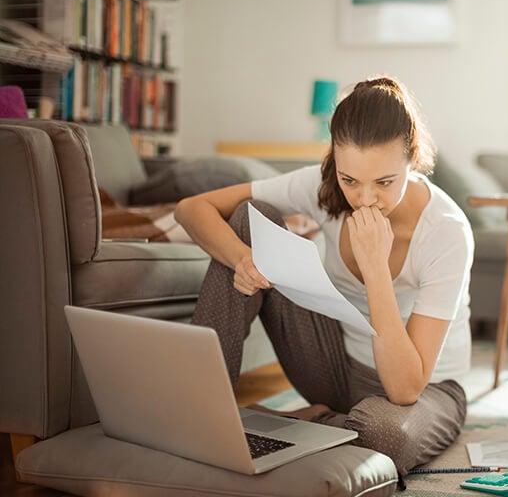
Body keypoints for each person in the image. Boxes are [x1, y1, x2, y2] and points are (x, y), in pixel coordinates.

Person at [175, 75, 474, 475]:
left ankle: (307, 422)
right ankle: (201, 414)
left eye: (385, 182)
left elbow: (405, 389)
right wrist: (242, 259)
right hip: (336, 366)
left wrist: (375, 269)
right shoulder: (321, 187)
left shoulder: (447, 231)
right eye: (350, 180)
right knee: (251, 217)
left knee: (384, 438)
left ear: (412, 159)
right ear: (336, 161)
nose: (366, 199)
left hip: (426, 391)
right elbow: (192, 209)